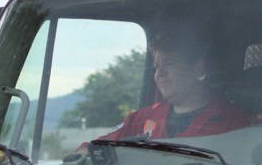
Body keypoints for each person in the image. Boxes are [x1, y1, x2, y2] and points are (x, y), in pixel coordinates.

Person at [96, 34, 251, 141]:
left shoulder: (236, 122)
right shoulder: (140, 119)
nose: (159, 74)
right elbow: (94, 149)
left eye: (170, 64)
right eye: (156, 67)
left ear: (198, 69)